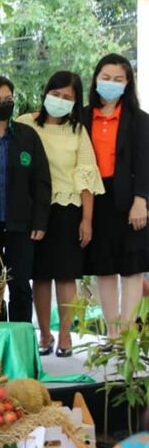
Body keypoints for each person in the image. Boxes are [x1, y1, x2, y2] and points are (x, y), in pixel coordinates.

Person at [17, 71, 104, 357]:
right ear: (46, 93)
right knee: (40, 276)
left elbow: (86, 176)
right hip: (35, 211)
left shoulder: (78, 131)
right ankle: (44, 335)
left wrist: (87, 220)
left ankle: (65, 336)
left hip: (68, 209)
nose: (60, 100)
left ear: (76, 102)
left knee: (66, 276)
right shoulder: (26, 123)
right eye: (56, 94)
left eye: (68, 97)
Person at [82, 54, 149, 341]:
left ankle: (127, 332)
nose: (111, 83)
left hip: (130, 199)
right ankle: (111, 333)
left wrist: (141, 199)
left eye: (118, 79)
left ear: (127, 83)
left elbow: (145, 162)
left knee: (132, 267)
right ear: (96, 79)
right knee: (104, 266)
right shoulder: (83, 116)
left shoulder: (139, 120)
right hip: (96, 199)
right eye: (105, 78)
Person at [0, 74, 51, 323]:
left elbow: (41, 182)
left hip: (21, 222)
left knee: (20, 285)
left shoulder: (27, 135)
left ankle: (20, 338)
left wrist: (40, 222)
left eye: (9, 98)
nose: (5, 103)